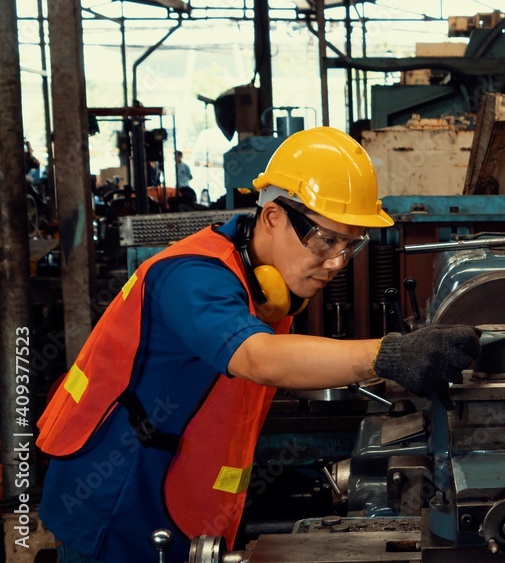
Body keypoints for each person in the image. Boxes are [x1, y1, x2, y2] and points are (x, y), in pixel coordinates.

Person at [37, 127, 480, 562]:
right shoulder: (192, 276)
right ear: (272, 217)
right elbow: (257, 356)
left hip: (181, 495)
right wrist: (388, 354)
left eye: (351, 245)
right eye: (326, 240)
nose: (337, 263)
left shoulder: (267, 283)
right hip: (116, 497)